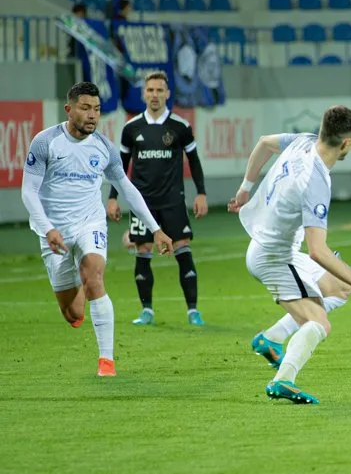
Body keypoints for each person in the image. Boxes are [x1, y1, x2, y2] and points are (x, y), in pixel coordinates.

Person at [227, 106, 351, 404]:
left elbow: (264, 142)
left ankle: (270, 340)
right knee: (319, 321)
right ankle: (283, 381)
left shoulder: (304, 140)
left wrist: (244, 189)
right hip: (274, 259)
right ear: (347, 143)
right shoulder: (316, 181)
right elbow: (318, 251)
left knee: (338, 287)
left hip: (272, 247)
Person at [20, 82, 172, 377]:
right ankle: (78, 278)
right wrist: (48, 228)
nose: (92, 115)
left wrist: (156, 229)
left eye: (97, 109)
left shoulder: (104, 147)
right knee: (73, 313)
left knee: (94, 275)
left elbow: (126, 188)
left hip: (90, 222)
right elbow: (28, 192)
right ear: (69, 109)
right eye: (85, 108)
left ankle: (107, 361)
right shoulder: (45, 142)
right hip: (53, 234)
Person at [106, 71, 209, 326]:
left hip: (174, 200)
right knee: (143, 250)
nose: (154, 95)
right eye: (150, 90)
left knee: (182, 248)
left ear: (167, 93)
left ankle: (193, 311)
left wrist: (201, 193)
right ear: (143, 94)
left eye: (159, 90)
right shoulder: (132, 129)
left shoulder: (180, 127)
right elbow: (121, 166)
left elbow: (194, 161)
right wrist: (112, 198)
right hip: (143, 203)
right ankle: (147, 311)